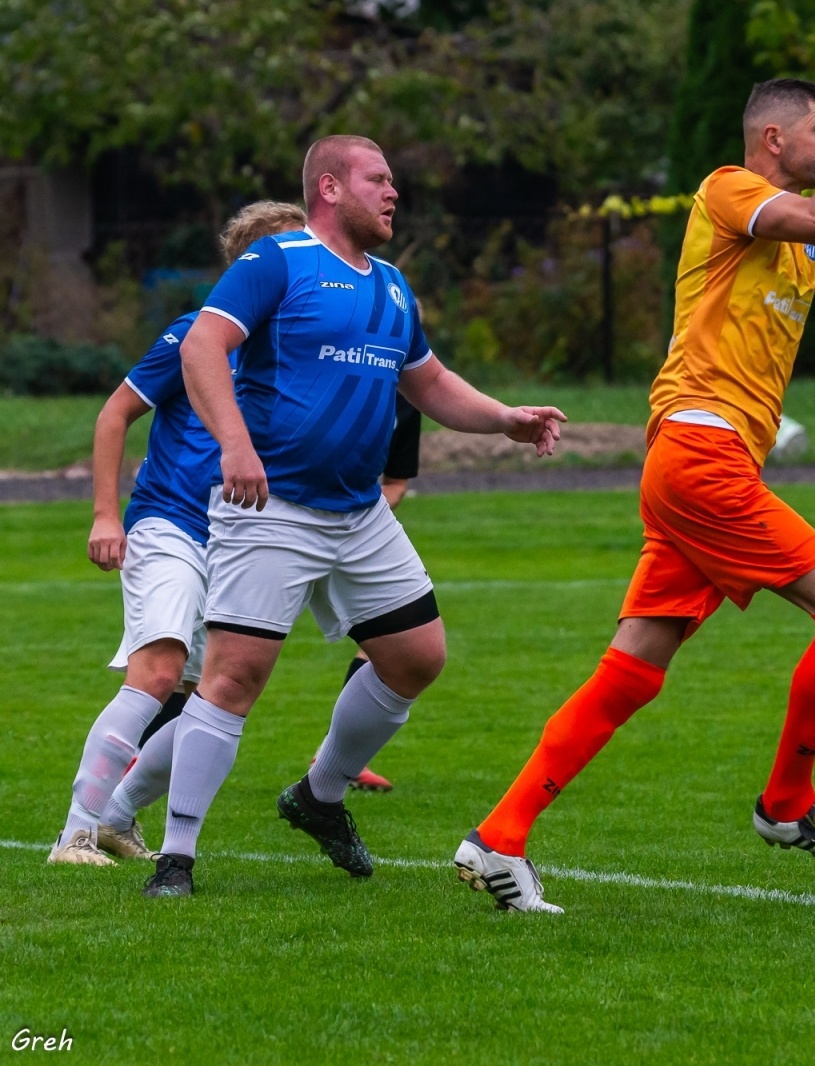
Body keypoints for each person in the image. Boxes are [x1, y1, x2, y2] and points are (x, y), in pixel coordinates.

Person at [454, 64, 815, 913]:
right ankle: (788, 807)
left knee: (633, 670)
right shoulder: (728, 190)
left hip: (698, 466)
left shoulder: (805, 238)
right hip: (700, 451)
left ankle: (498, 837)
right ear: (773, 140)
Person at [144, 134, 566, 898]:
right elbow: (202, 347)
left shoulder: (394, 286)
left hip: (360, 513)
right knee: (235, 677)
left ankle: (320, 794)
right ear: (331, 188)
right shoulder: (277, 261)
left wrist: (505, 416)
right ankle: (176, 857)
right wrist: (235, 444)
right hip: (272, 507)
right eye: (379, 179)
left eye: (394, 180)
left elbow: (429, 383)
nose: (393, 191)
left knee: (416, 657)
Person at [48, 201, 309, 867]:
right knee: (157, 671)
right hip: (168, 524)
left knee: (205, 699)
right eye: (288, 251)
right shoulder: (196, 334)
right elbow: (115, 413)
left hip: (237, 545)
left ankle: (116, 816)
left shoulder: (298, 354)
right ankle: (73, 835)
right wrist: (107, 515)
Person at [323, 394, 423, 794]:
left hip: (355, 537)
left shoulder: (409, 401)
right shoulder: (327, 371)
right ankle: (135, 755)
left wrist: (360, 520)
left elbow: (396, 483)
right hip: (284, 525)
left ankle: (335, 758)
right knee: (224, 662)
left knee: (395, 647)